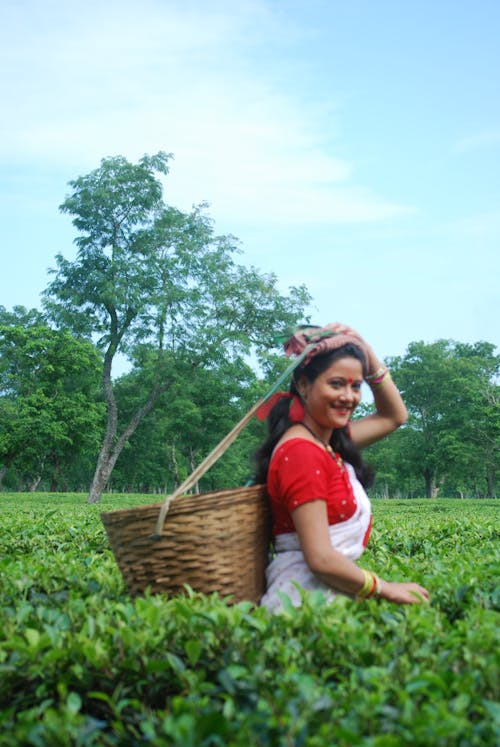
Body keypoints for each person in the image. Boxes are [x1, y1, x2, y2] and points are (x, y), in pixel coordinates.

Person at [255, 322, 430, 613]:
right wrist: (386, 589)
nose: (348, 397)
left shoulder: (328, 441)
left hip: (322, 598)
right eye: (336, 384)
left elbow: (395, 415)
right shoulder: (301, 452)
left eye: (355, 386)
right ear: (303, 385)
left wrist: (367, 352)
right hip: (299, 605)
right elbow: (321, 559)